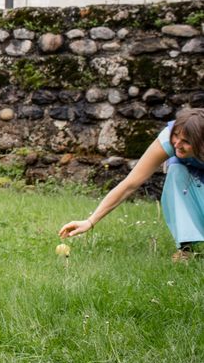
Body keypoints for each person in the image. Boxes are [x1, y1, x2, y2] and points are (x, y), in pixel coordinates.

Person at [60, 108, 204, 262]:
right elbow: (130, 184)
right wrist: (90, 221)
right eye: (176, 135)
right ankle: (186, 248)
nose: (177, 144)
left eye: (186, 141)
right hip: (186, 172)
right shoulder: (167, 141)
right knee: (176, 171)